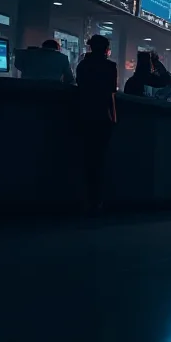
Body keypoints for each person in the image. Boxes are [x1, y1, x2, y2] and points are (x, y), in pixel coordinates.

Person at [75, 35, 118, 212]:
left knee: (86, 158)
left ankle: (85, 198)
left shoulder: (83, 65)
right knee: (100, 159)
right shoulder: (110, 67)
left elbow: (79, 85)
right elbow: (111, 92)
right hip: (102, 116)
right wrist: (114, 117)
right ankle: (97, 200)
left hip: (83, 114)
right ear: (106, 49)